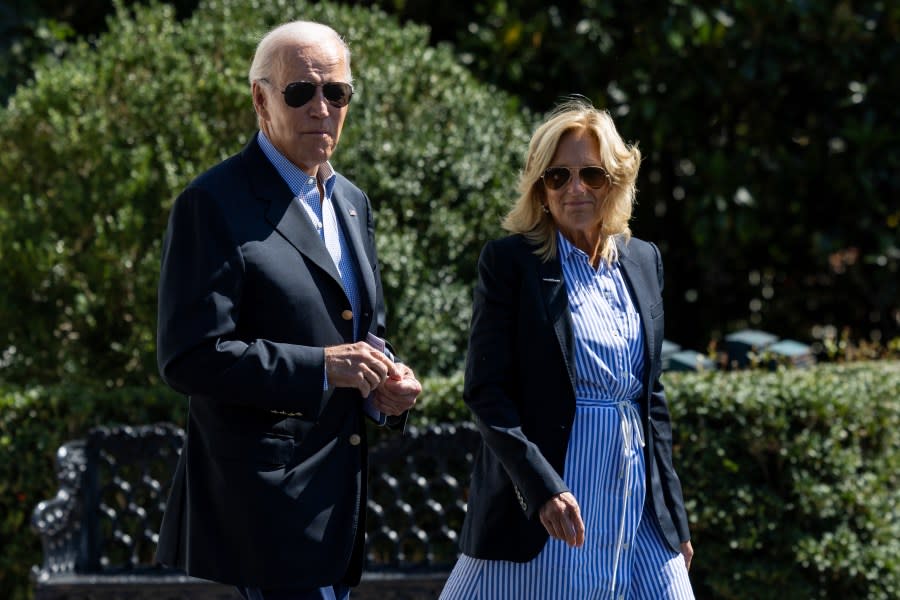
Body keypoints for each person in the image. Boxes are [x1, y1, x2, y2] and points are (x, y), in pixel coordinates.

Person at [154, 20, 421, 600]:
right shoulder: (212, 203)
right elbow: (190, 357)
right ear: (261, 99)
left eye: (337, 92)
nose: (321, 107)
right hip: (264, 511)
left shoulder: (352, 202)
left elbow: (361, 334)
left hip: (338, 510)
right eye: (300, 91)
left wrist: (386, 384)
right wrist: (322, 367)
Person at [440, 98, 695, 599]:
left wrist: (675, 516)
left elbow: (653, 399)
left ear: (615, 181)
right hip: (555, 495)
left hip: (634, 499)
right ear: (540, 187)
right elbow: (486, 391)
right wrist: (541, 488)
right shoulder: (511, 262)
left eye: (591, 175)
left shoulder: (643, 259)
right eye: (557, 177)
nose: (575, 188)